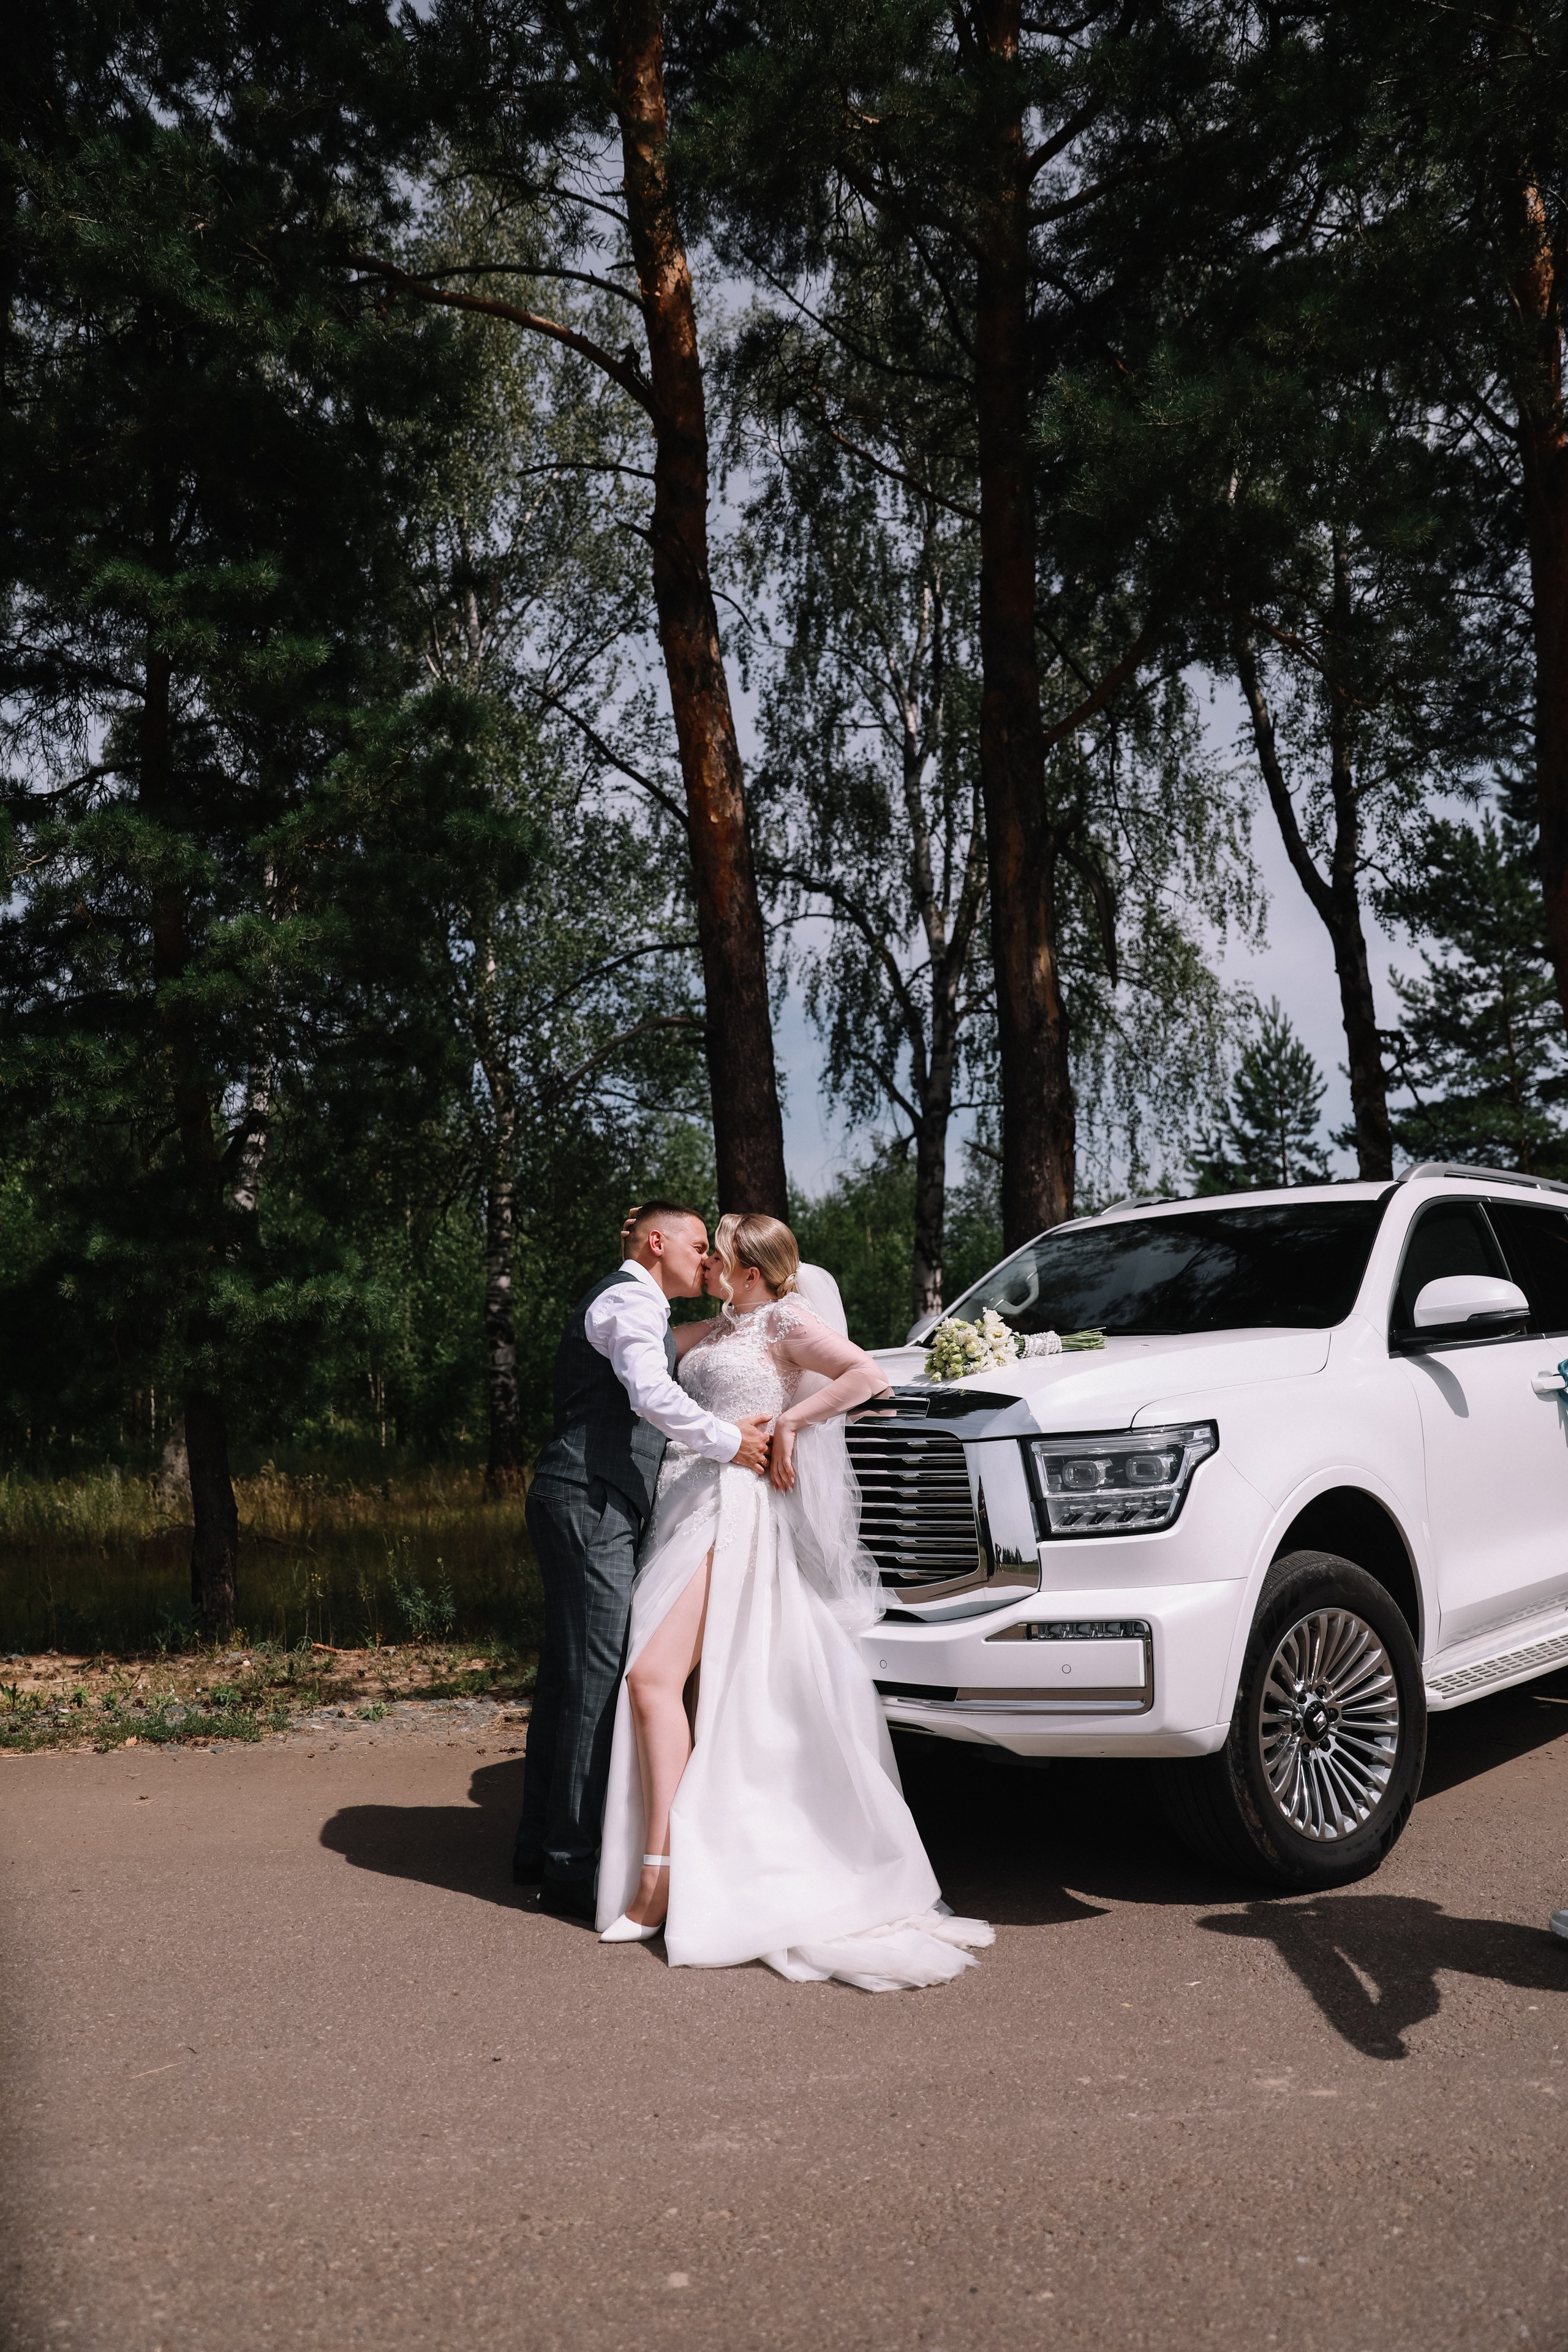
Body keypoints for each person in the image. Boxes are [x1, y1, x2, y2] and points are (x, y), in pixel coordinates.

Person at [595, 1212, 992, 1991]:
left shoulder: (782, 1317)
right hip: (686, 1507)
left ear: (749, 1270)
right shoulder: (714, 1328)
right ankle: (695, 1862)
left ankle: (659, 1877)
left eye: (719, 1248)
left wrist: (788, 1423)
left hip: (736, 1513)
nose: (705, 1255)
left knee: (653, 1680)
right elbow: (635, 1366)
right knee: (706, 1697)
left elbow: (865, 1376)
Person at [513, 1203, 772, 1921]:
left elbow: (684, 1358)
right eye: (696, 1245)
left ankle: (540, 1848)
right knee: (596, 1679)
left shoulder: (641, 1307)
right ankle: (573, 1872)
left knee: (569, 1675)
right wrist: (728, 1440)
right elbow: (650, 1392)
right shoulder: (629, 1299)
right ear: (656, 1243)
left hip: (586, 1497)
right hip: (590, 1499)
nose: (705, 1259)